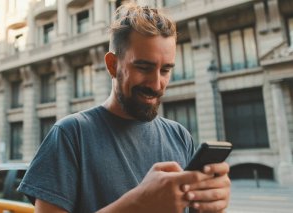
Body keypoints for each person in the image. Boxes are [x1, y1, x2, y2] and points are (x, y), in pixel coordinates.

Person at [17, 2, 230, 213]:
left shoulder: (180, 136)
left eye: (165, 70)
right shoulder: (70, 135)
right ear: (112, 65)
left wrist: (212, 204)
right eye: (143, 67)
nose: (156, 84)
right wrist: (138, 205)